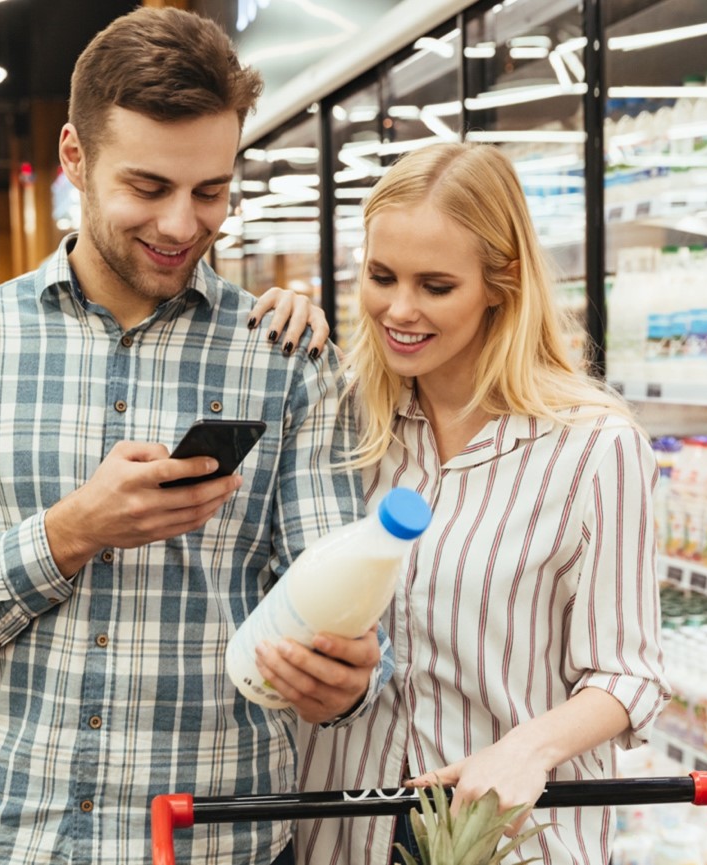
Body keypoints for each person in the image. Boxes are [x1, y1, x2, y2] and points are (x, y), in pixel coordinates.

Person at [0, 9, 383, 865]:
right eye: (148, 188)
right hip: (18, 832)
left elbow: (334, 603)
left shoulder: (288, 358)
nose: (183, 225)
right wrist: (70, 533)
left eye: (211, 191)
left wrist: (350, 676)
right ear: (74, 157)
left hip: (223, 837)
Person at [252, 142, 671, 864]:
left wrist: (527, 749)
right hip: (343, 832)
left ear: (500, 284)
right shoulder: (346, 420)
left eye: (436, 285)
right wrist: (282, 322)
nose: (399, 309)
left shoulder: (594, 447)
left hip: (504, 838)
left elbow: (627, 672)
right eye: (381, 277)